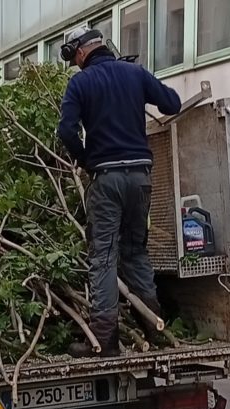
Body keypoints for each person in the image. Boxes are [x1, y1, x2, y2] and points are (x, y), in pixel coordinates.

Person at [57, 26, 181, 357]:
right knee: (135, 251)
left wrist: (86, 159)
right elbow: (173, 103)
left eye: (74, 58)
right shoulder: (135, 73)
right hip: (141, 177)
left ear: (80, 52)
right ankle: (154, 327)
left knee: (104, 256)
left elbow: (66, 130)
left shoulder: (80, 83)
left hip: (107, 178)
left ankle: (104, 340)